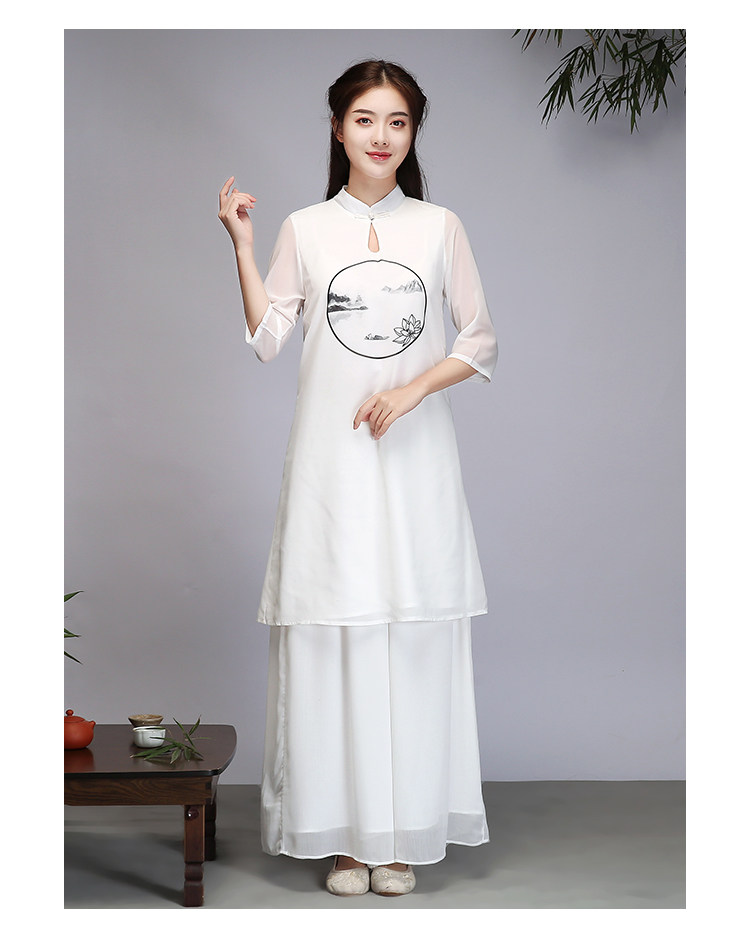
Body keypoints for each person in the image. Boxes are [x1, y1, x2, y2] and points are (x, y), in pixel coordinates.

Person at [218, 59, 498, 898]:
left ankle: (399, 836)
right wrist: (242, 245)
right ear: (339, 128)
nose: (382, 136)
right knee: (334, 629)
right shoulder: (306, 228)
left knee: (410, 634)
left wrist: (411, 391)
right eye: (366, 119)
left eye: (398, 122)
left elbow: (479, 339)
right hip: (331, 463)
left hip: (415, 459)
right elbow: (269, 337)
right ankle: (345, 838)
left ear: (413, 133)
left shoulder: (439, 226)